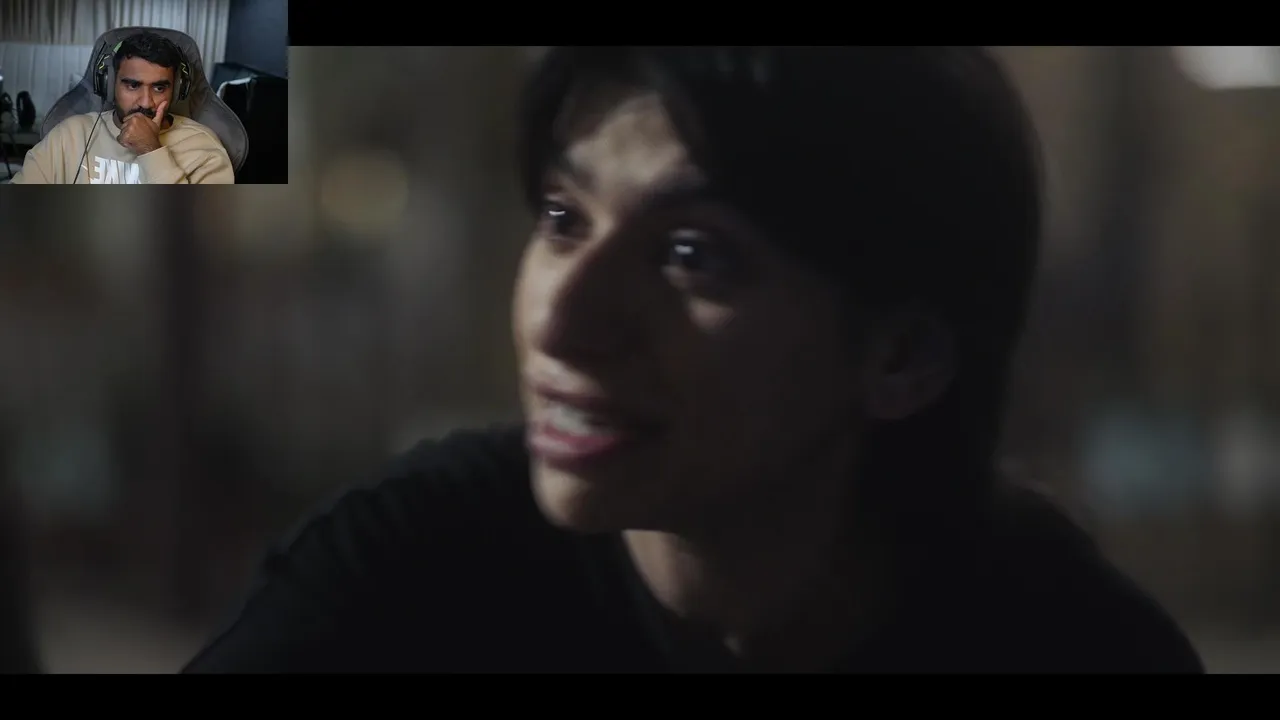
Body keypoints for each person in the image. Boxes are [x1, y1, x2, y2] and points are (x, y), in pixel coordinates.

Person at [184, 47, 1204, 673]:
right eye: (562, 219)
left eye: (692, 255)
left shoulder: (1073, 645)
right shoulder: (414, 575)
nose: (563, 321)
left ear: (900, 355)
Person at [10, 31, 233, 184]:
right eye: (133, 85)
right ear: (109, 85)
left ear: (176, 90)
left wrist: (151, 151)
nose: (145, 102)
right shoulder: (69, 136)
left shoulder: (204, 149)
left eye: (159, 88)